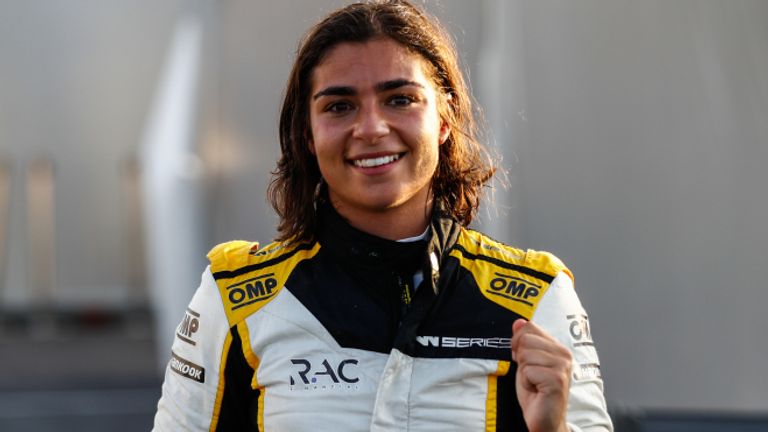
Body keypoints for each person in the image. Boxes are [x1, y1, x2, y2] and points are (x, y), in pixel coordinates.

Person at [153, 1, 613, 431]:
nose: (371, 128)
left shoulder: (535, 299)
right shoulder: (235, 299)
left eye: (400, 99)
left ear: (444, 119)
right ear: (307, 136)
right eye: (339, 106)